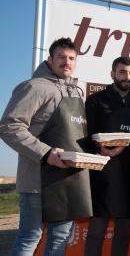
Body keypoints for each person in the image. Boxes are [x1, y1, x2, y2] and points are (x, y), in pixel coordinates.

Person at [0, 37, 92, 256]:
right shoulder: (33, 87)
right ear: (50, 59)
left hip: (68, 180)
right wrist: (46, 153)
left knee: (60, 240)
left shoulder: (76, 92)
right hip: (37, 181)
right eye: (61, 57)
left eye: (71, 58)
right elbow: (9, 127)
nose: (66, 62)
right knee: (29, 239)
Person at [84, 57, 130, 256]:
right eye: (122, 72)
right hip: (101, 176)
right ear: (112, 74)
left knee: (124, 235)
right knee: (96, 233)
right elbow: (85, 135)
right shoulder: (95, 101)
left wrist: (128, 144)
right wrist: (100, 149)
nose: (126, 77)